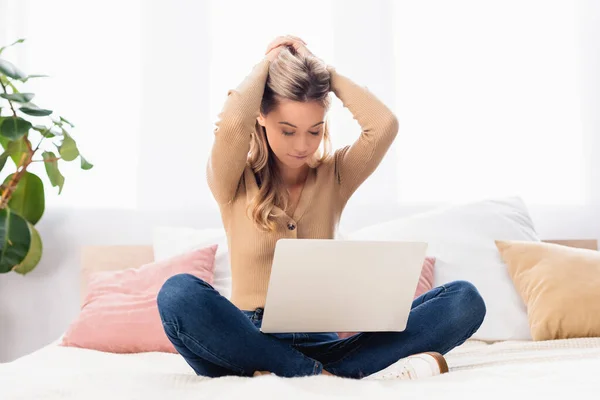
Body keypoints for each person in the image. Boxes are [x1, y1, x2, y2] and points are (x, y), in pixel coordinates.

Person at [157, 35, 486, 380]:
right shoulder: (233, 180)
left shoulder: (335, 176)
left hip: (324, 343)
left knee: (464, 299)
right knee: (178, 293)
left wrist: (324, 72)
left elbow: (383, 125)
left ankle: (304, 373)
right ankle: (324, 377)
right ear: (262, 118)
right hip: (247, 340)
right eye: (288, 131)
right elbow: (234, 125)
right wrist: (269, 62)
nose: (302, 145)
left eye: (314, 131)